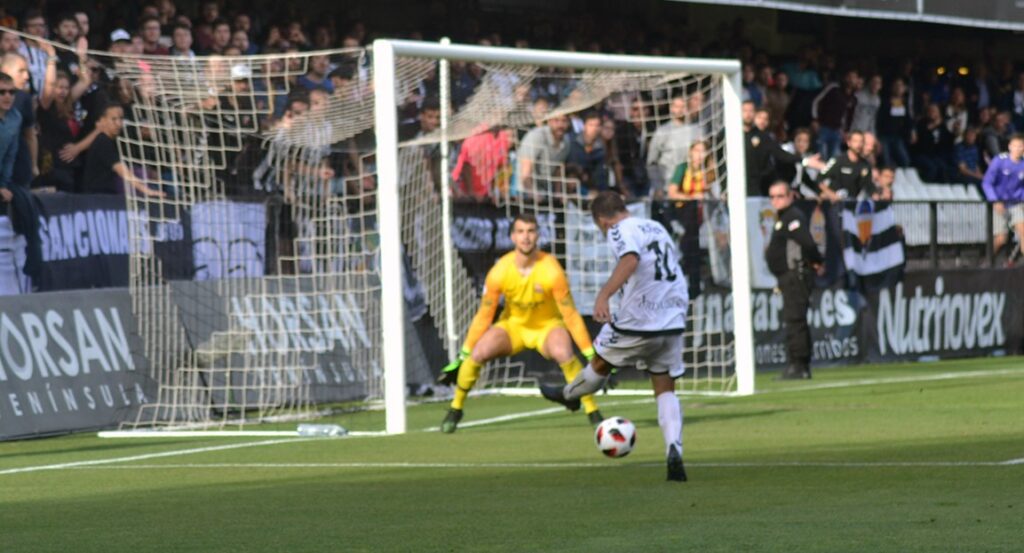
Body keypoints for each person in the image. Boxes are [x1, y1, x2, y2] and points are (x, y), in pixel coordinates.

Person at [538, 191, 690, 482]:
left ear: (602, 221)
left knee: (600, 364)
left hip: (640, 318)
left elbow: (629, 259)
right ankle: (674, 449)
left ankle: (569, 396)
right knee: (664, 385)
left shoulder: (619, 229)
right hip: (672, 317)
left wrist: (603, 295)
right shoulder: (655, 226)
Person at [436, 213, 603, 433]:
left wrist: (591, 355)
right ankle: (455, 408)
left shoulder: (551, 269)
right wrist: (463, 355)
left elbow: (570, 315)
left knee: (563, 352)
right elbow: (484, 315)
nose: (526, 237)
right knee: (479, 353)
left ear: (538, 235)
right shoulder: (500, 271)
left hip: (547, 326)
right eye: (521, 232)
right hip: (513, 326)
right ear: (513, 237)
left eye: (531, 231)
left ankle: (592, 411)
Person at [765, 181, 823, 379]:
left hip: (795, 275)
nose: (776, 200)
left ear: (791, 196)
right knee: (794, 319)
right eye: (772, 197)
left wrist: (816, 261)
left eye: (780, 196)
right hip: (787, 276)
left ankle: (799, 365)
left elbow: (807, 242)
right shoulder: (783, 217)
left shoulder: (793, 216)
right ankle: (798, 364)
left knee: (795, 319)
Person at [78, 103, 165, 197]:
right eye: (113, 119)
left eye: (121, 119)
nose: (119, 124)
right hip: (98, 197)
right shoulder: (103, 142)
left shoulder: (113, 140)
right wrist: (147, 190)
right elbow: (123, 171)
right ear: (102, 120)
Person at [981, 134, 1024, 265]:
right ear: (1010, 146)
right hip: (999, 204)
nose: (1017, 149)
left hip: (1016, 204)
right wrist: (995, 200)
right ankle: (987, 261)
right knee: (1001, 239)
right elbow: (987, 183)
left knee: (1023, 231)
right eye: (1015, 146)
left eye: (1020, 146)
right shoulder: (999, 161)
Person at [818, 131, 873, 201]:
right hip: (835, 201)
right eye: (855, 141)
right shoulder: (837, 160)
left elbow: (868, 186)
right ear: (848, 143)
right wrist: (831, 194)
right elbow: (819, 179)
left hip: (852, 202)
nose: (858, 144)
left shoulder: (865, 165)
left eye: (861, 141)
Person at [0, 72, 21, 203]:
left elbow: (10, 156)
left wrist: (3, 185)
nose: (7, 96)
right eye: (2, 92)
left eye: (12, 92)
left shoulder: (16, 117)